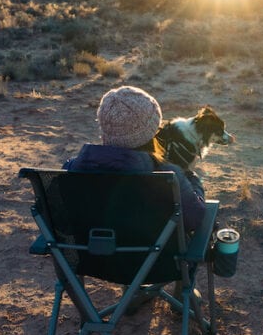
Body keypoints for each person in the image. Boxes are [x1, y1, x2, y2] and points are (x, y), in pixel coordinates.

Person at [63, 85, 207, 232]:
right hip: (157, 254)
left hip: (88, 253)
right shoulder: (167, 176)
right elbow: (195, 218)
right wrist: (193, 178)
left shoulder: (74, 169)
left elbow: (56, 216)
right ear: (151, 133)